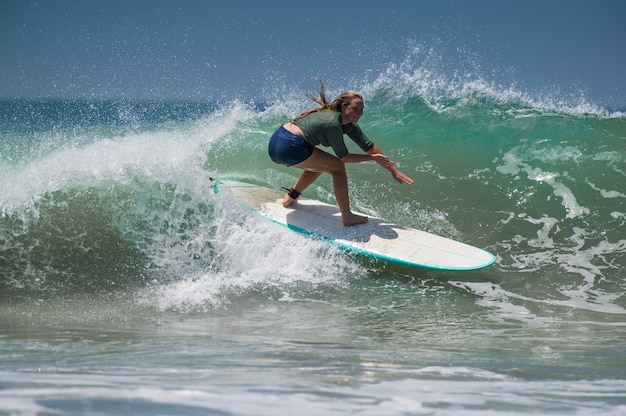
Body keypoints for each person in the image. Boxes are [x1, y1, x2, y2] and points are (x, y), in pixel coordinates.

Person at [268, 80, 413, 226]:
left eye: (362, 109)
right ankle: (347, 216)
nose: (359, 113)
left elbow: (369, 146)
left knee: (323, 163)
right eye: (355, 109)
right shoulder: (334, 124)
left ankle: (290, 197)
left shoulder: (347, 123)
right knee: (337, 166)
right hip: (289, 146)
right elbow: (344, 157)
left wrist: (393, 170)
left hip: (278, 141)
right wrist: (371, 158)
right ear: (344, 107)